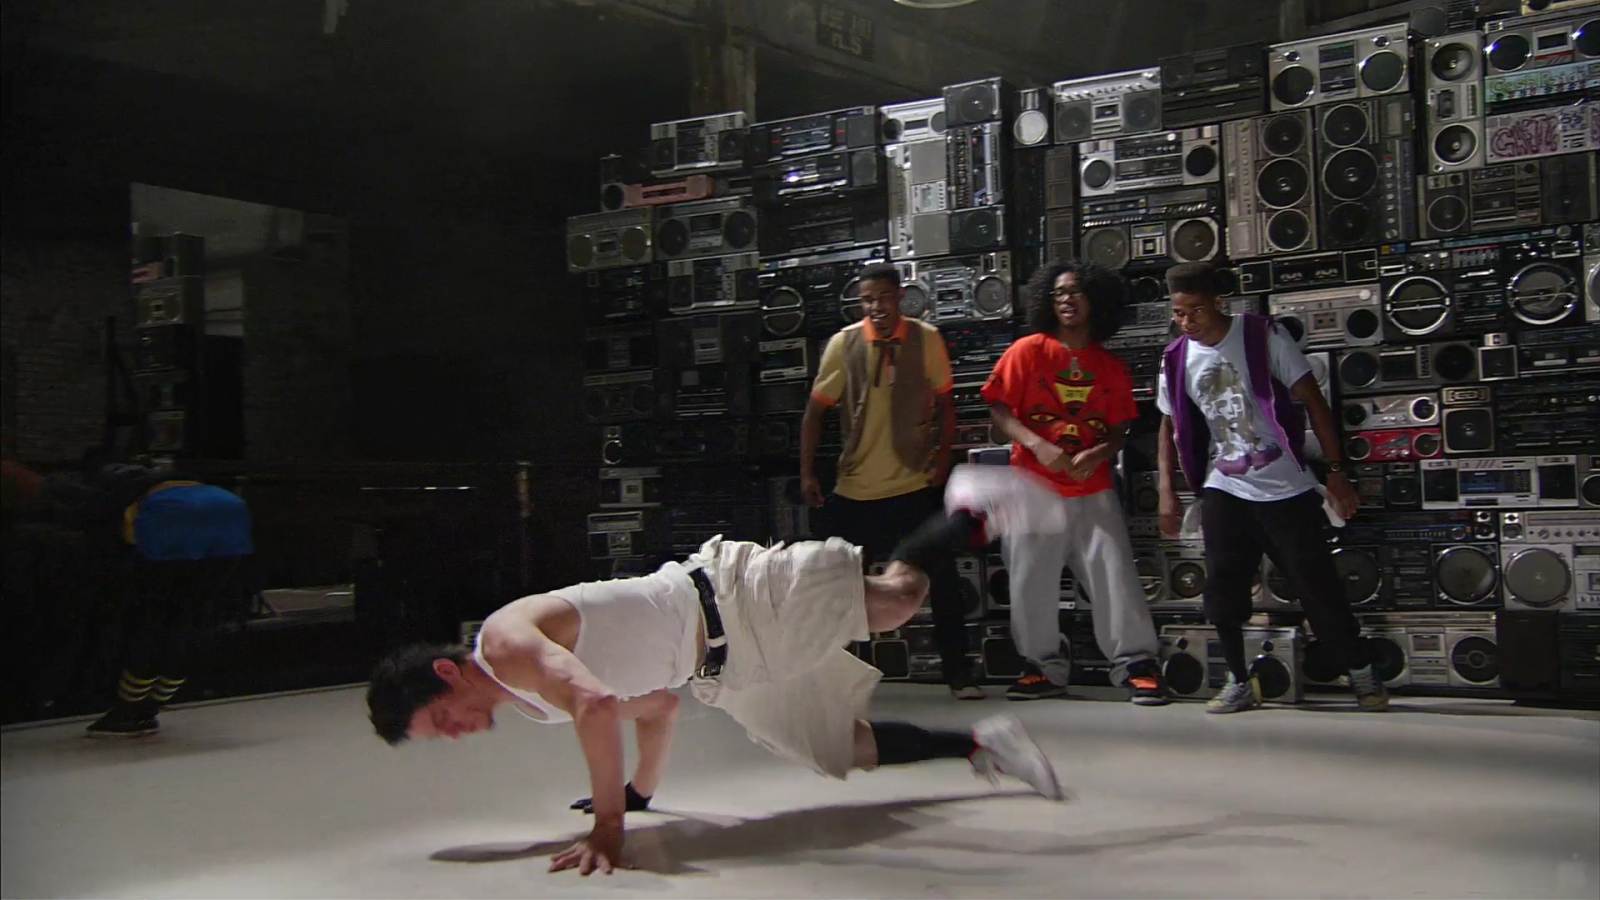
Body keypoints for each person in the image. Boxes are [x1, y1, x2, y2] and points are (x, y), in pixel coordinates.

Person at [367, 529, 1067, 877]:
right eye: (441, 738)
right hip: (727, 668)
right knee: (841, 746)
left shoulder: (502, 644)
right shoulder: (531, 703)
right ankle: (983, 742)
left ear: (446, 674)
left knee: (898, 601)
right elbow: (656, 708)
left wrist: (610, 827)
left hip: (735, 598)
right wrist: (639, 793)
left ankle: (967, 507)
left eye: (441, 721)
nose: (455, 735)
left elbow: (597, 703)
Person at [1156, 262, 1385, 714]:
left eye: (1196, 311)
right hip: (1225, 484)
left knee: (1315, 585)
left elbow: (1313, 399)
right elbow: (1168, 427)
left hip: (1285, 485)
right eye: (1179, 314)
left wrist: (1336, 471)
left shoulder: (1262, 336)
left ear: (1218, 302)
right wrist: (1167, 490)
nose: (1187, 322)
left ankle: (1360, 671)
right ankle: (1238, 680)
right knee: (1222, 588)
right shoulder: (1176, 357)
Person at [980, 260, 1168, 705]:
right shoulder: (1026, 351)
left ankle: (1136, 664)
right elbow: (999, 408)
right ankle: (1041, 667)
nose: (1066, 300)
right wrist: (1036, 444)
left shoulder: (1111, 366)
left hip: (1093, 487)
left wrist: (1099, 453)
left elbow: (1119, 431)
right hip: (1031, 486)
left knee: (1114, 576)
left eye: (1076, 292)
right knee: (1029, 581)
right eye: (1059, 293)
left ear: (1095, 301)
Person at [799, 262, 983, 699]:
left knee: (942, 579)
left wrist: (943, 456)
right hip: (856, 489)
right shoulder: (843, 344)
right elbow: (814, 412)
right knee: (840, 588)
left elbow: (947, 405)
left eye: (883, 297)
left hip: (912, 486)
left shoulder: (926, 338)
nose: (876, 307)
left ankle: (959, 675)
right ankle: (839, 681)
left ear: (900, 297)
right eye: (867, 300)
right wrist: (807, 472)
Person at [4, 452, 254, 736]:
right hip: (229, 511)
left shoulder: (95, 490)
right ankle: (153, 703)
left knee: (152, 618)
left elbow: (81, 510)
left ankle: (129, 709)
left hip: (168, 515)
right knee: (189, 615)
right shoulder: (151, 478)